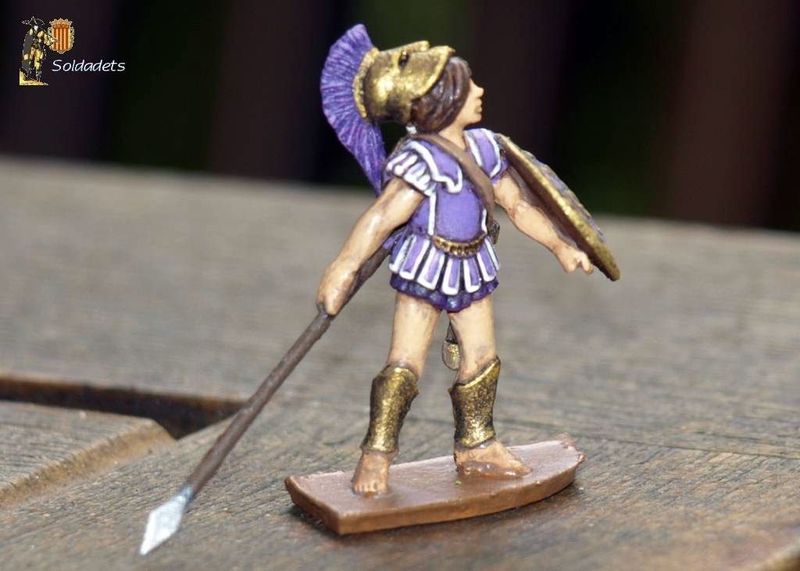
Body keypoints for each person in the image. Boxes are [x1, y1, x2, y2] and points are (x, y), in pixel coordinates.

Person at [319, 25, 593, 496]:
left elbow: (519, 205)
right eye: (469, 88)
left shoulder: (486, 148)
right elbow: (383, 216)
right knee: (405, 364)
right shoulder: (421, 161)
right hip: (425, 267)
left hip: (473, 265)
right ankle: (376, 456)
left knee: (482, 358)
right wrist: (343, 267)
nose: (481, 92)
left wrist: (561, 245)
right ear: (441, 103)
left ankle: (477, 445)